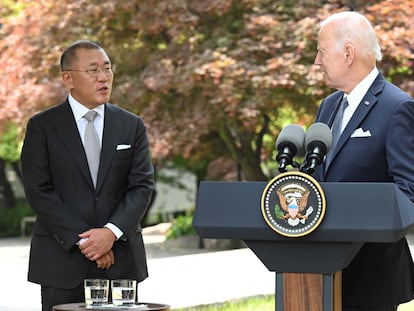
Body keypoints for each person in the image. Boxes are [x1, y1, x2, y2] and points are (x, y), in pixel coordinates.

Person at [21, 40, 155, 311]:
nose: (104, 77)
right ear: (68, 78)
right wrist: (87, 241)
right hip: (62, 261)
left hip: (121, 262)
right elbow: (39, 190)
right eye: (93, 70)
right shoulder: (42, 127)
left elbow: (141, 186)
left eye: (107, 69)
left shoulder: (131, 125)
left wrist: (110, 233)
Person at [313, 11, 414, 310]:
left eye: (321, 51)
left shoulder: (398, 107)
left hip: (372, 276)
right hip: (321, 268)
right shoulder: (328, 107)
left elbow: (407, 192)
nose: (316, 61)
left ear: (348, 54)